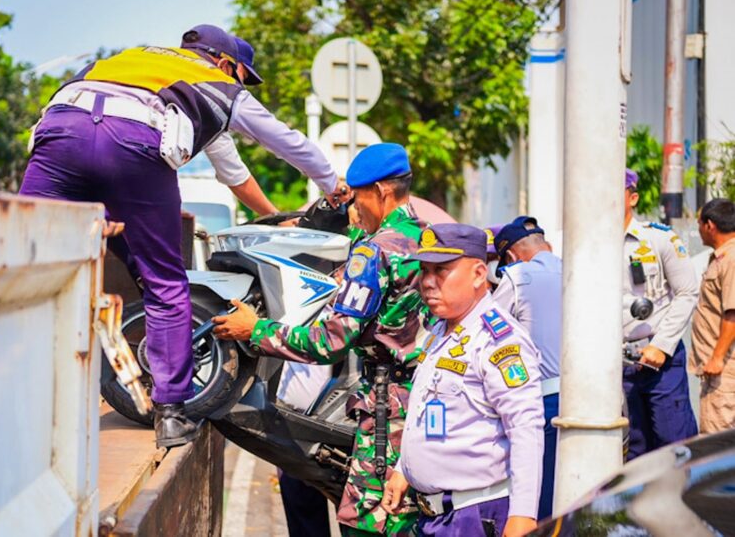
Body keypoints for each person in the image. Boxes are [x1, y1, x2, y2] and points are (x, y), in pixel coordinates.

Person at [20, 24, 346, 448]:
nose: (242, 86)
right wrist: (330, 182)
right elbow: (283, 140)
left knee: (25, 265)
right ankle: (170, 413)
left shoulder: (133, 62)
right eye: (243, 78)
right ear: (228, 65)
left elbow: (231, 170)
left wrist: (271, 216)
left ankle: (11, 390)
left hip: (61, 135)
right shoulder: (218, 84)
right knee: (165, 283)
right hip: (132, 147)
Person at [213, 143, 426, 535]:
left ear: (380, 192)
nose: (354, 210)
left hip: (388, 414)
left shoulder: (375, 252)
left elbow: (331, 340)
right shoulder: (429, 241)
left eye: (358, 198)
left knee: (368, 523)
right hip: (429, 404)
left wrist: (255, 330)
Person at [381, 223, 544, 537]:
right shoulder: (444, 329)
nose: (427, 283)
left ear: (479, 274)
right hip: (437, 515)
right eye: (424, 270)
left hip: (474, 517)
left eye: (441, 271)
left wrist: (523, 515)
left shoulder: (499, 341)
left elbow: (526, 428)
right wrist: (404, 470)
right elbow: (433, 408)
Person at [622, 169, 698, 459]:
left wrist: (661, 346)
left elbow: (687, 292)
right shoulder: (589, 244)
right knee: (634, 452)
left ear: (633, 197)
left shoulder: (659, 239)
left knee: (674, 447)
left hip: (659, 362)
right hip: (616, 366)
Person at [491, 216, 561, 520]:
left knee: (540, 500)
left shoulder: (516, 277)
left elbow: (485, 330)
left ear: (510, 256)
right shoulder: (581, 266)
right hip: (599, 399)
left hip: (545, 400)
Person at [691, 198, 735, 432]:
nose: (698, 230)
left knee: (715, 445)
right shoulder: (722, 256)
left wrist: (717, 357)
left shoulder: (731, 258)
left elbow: (733, 312)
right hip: (719, 369)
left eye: (699, 224)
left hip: (724, 372)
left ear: (709, 225)